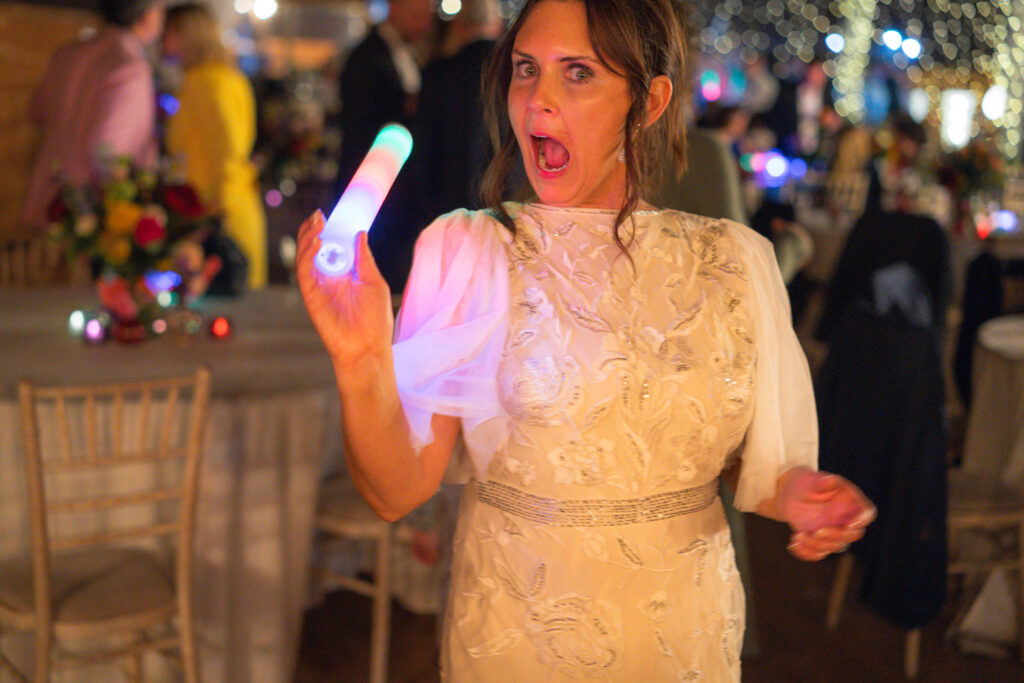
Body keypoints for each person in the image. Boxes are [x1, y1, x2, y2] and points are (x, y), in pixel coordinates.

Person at [297, 1, 874, 680]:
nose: (538, 99)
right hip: (516, 640)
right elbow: (396, 490)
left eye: (577, 73)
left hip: (681, 635)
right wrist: (361, 358)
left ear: (649, 100)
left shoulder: (736, 262)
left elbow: (770, 468)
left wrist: (802, 492)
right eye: (524, 69)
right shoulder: (468, 251)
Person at [22, 0, 165, 232]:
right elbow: (107, 152)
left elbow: (36, 112)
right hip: (88, 217)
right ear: (147, 15)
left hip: (47, 197)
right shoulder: (130, 68)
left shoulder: (67, 53)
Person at [162, 2, 267, 289]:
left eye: (169, 31)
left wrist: (211, 214)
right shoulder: (227, 77)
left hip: (218, 215)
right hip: (227, 207)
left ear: (186, 35)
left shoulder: (205, 82)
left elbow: (228, 151)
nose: (163, 39)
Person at [337, 0, 434, 292]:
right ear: (396, 8)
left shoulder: (410, 54)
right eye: (418, 13)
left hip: (403, 198)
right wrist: (407, 113)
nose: (425, 22)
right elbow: (358, 124)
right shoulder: (365, 56)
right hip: (375, 195)